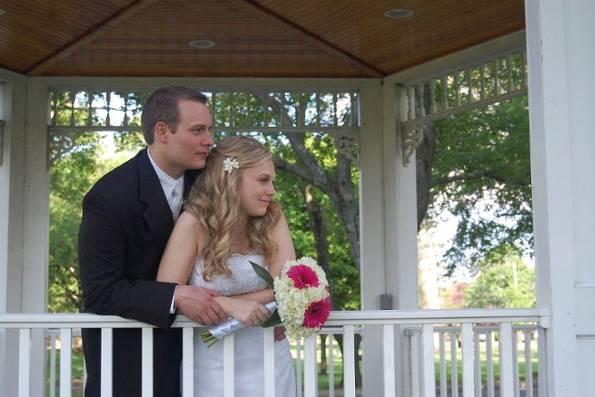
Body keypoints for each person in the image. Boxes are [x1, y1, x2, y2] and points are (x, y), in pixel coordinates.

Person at [78, 86, 228, 397]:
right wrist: (174, 296)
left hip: (207, 354)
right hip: (132, 360)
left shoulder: (210, 182)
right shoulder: (108, 198)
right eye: (198, 130)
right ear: (163, 131)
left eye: (210, 129)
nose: (209, 140)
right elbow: (100, 291)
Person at [157, 136, 297, 397]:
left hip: (269, 356)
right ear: (231, 179)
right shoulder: (193, 223)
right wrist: (230, 306)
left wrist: (219, 302)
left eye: (272, 181)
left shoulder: (273, 217)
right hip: (211, 362)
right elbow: (165, 294)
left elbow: (287, 287)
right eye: (263, 180)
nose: (272, 190)